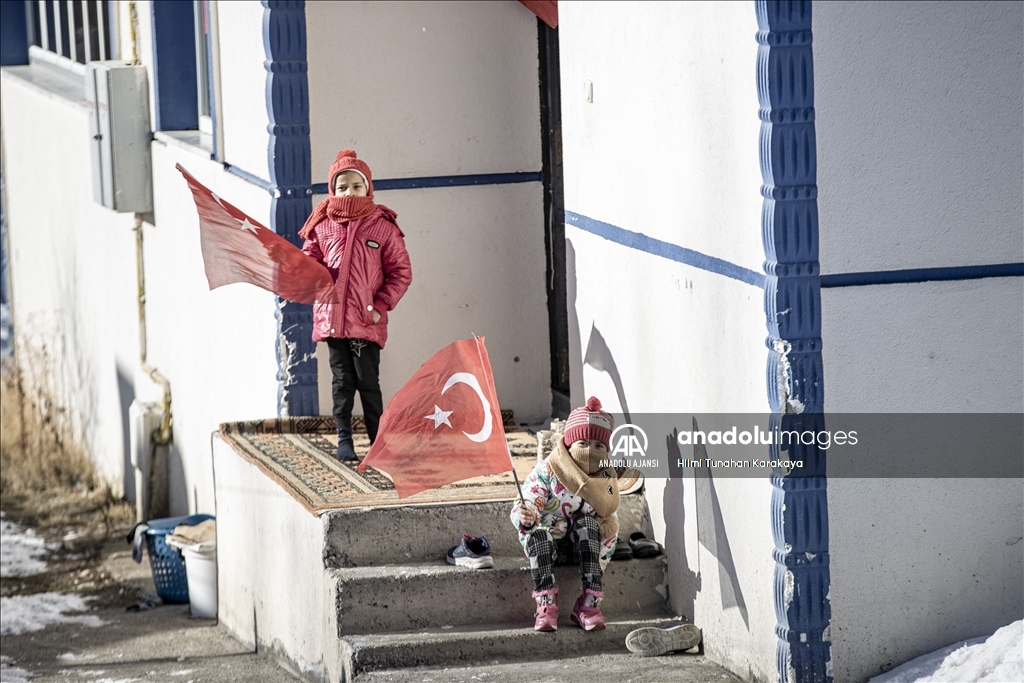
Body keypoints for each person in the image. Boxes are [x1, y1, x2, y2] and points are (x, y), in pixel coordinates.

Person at [298, 149, 412, 461]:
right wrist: (312, 273)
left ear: (368, 188)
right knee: (342, 383)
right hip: (333, 320)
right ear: (332, 190)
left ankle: (378, 442)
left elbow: (401, 272)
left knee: (368, 383)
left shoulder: (382, 227)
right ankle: (344, 439)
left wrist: (380, 305)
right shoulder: (322, 226)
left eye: (356, 186)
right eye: (342, 186)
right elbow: (308, 261)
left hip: (366, 321)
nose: (350, 192)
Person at [510, 397, 620, 632]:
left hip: (585, 552)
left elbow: (610, 523)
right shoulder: (549, 470)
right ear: (569, 444)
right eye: (583, 442)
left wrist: (602, 554)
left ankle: (588, 604)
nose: (590, 451)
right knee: (538, 535)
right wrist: (527, 513)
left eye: (599, 446)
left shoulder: (605, 479)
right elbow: (530, 496)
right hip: (549, 547)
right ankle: (546, 603)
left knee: (588, 523)